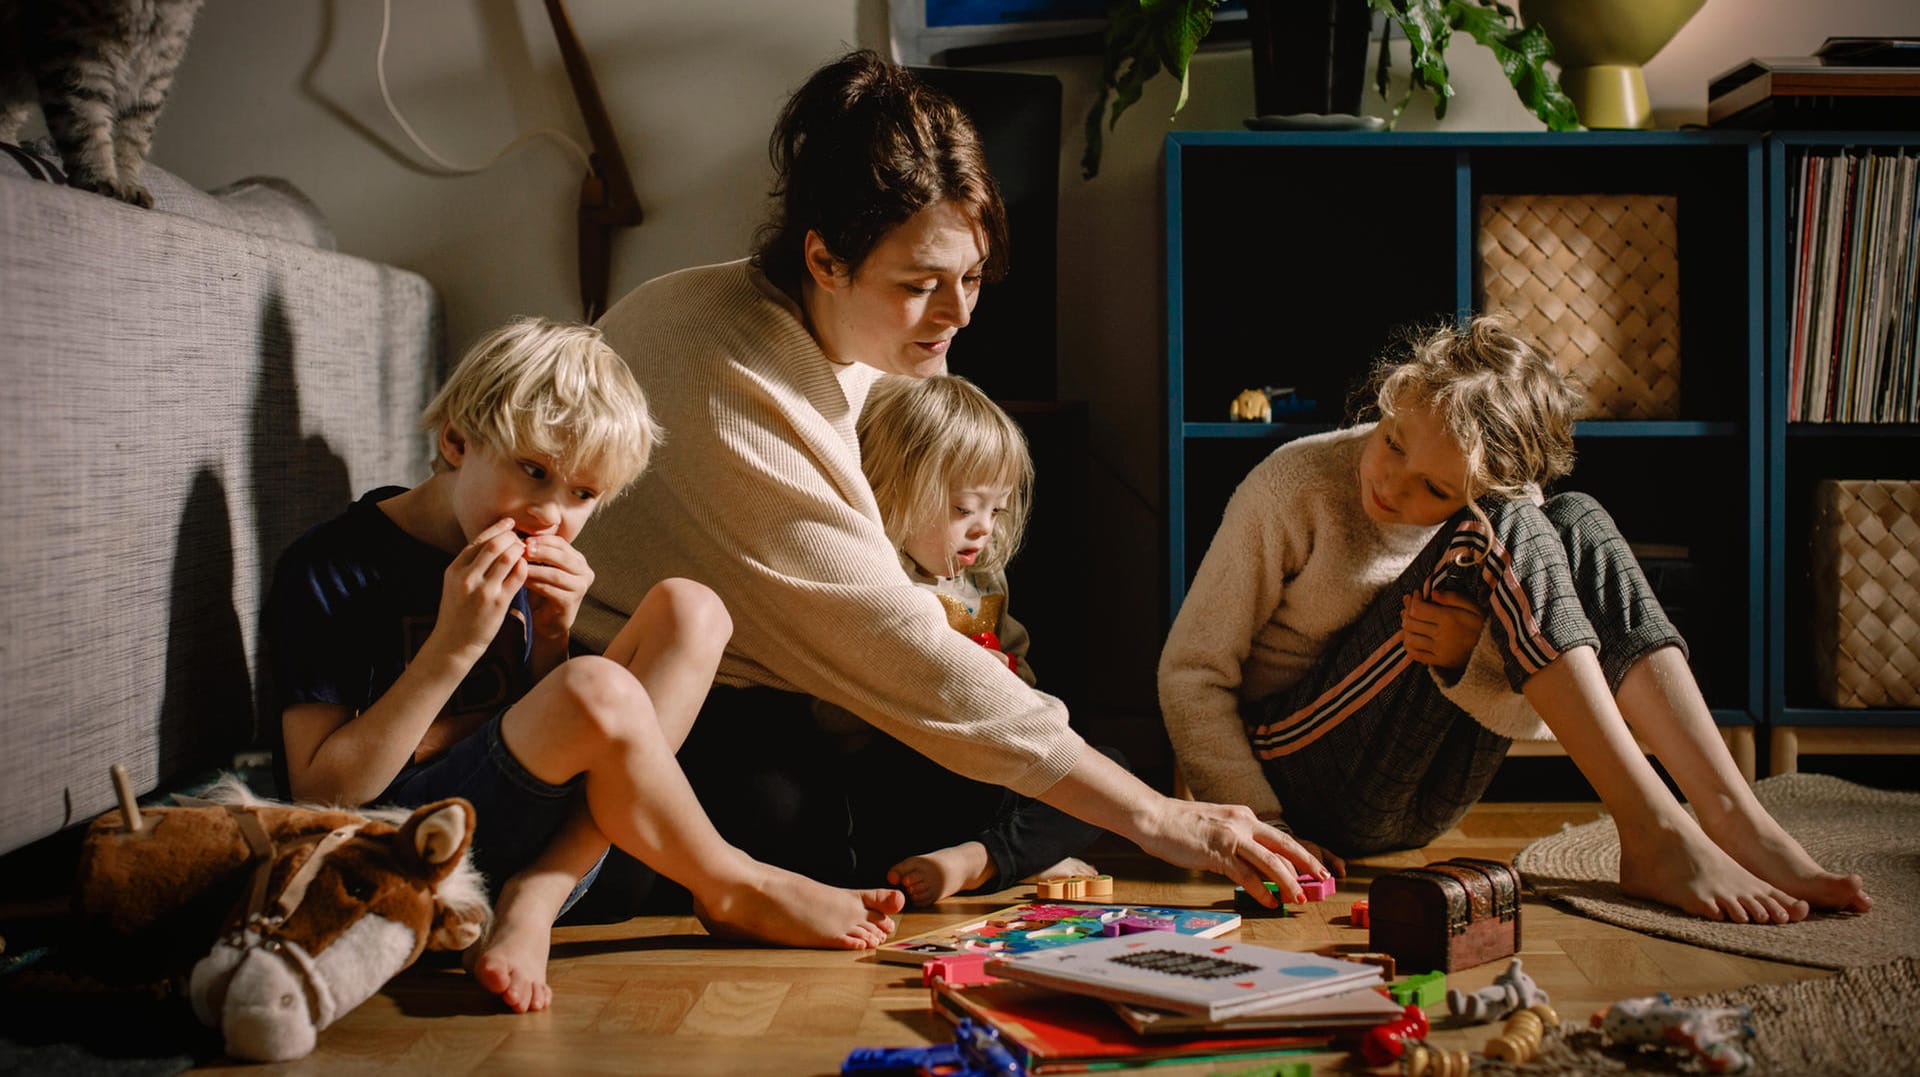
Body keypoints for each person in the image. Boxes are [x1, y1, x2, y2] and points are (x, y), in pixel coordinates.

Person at [572, 49, 1327, 906]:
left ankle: (977, 849)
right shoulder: (731, 378)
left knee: (1046, 765)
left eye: (970, 277)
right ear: (824, 259)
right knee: (801, 818)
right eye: (921, 283)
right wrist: (1159, 818)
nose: (960, 310)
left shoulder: (844, 341)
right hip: (656, 698)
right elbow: (894, 642)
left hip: (798, 690)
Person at [265, 317, 904, 1015]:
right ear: (456, 441)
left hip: (571, 852)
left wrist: (552, 637)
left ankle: (537, 897)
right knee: (596, 685)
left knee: (692, 609)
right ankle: (728, 880)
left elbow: (544, 730)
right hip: (423, 856)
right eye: (533, 471)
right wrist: (453, 647)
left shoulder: (525, 544)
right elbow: (324, 793)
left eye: (583, 494)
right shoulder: (332, 566)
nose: (550, 514)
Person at [1158, 315, 1872, 924]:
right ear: (1390, 398)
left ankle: (1731, 814)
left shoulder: (1507, 509)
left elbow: (1537, 711)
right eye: (1394, 440)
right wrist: (1265, 825)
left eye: (1434, 487)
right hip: (1298, 779)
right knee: (1505, 530)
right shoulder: (1291, 486)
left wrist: (1473, 657)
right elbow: (1190, 676)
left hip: (1425, 798)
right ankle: (1653, 827)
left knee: (1575, 519)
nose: (1390, 481)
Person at [834, 373, 1116, 904]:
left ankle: (981, 861)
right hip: (901, 776)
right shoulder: (876, 574)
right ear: (894, 488)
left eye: (996, 510)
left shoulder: (983, 578)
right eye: (964, 509)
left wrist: (1022, 695)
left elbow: (1019, 667)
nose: (983, 528)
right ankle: (1015, 857)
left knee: (1108, 767)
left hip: (987, 765)